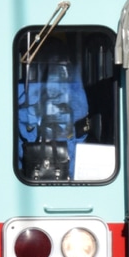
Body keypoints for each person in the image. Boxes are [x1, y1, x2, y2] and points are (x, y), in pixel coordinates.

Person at [17, 41, 89, 180]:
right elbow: (81, 134)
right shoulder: (75, 92)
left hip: (25, 173)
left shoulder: (20, 90)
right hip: (67, 171)